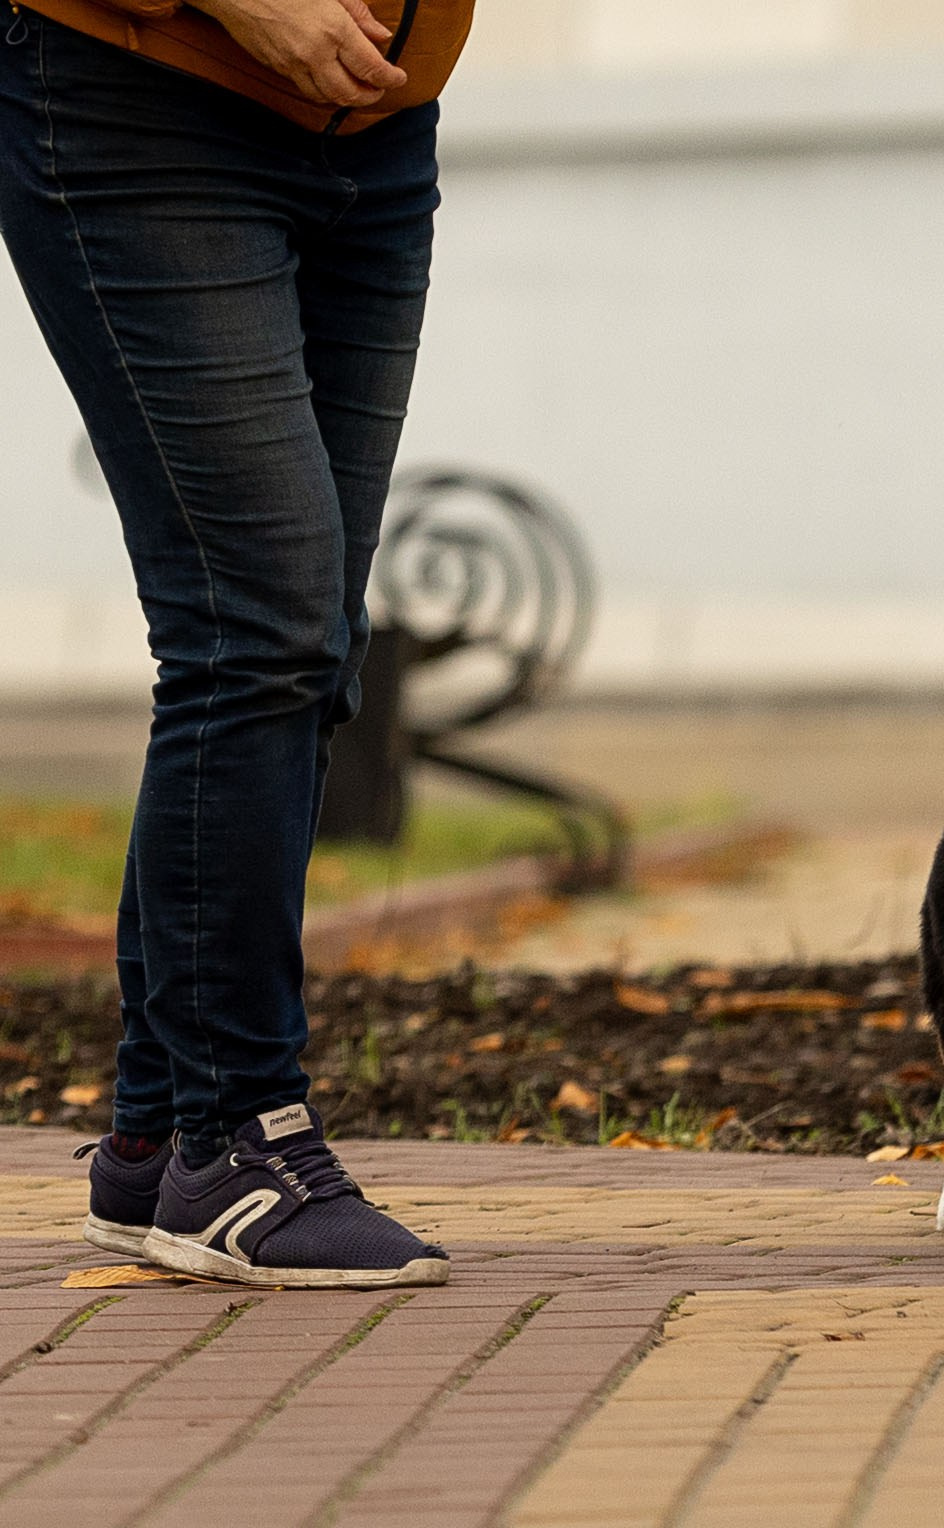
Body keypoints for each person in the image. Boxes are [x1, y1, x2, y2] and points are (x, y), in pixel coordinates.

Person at [0, 0, 476, 1288]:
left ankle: (159, 1140)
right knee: (256, 629)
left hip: (377, 129)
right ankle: (239, 1139)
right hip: (139, 104)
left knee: (302, 645)